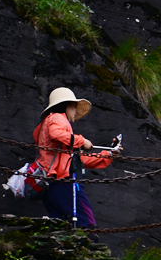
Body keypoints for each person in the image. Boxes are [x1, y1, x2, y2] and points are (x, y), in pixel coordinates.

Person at [33, 87, 121, 238]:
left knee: (60, 228)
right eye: (74, 106)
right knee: (86, 224)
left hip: (49, 186)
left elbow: (79, 160)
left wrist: (109, 153)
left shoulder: (48, 126)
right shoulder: (57, 118)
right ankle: (89, 258)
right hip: (64, 183)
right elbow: (56, 134)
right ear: (65, 105)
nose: (75, 110)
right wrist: (81, 141)